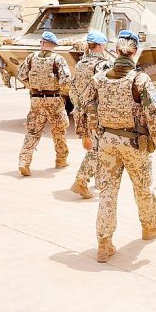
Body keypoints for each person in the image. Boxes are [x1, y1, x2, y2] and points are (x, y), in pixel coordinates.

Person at [82, 30, 156, 262]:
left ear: (117, 50)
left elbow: (87, 105)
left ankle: (104, 242)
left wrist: (90, 135)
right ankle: (150, 225)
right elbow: (154, 114)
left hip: (107, 142)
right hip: (133, 144)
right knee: (142, 187)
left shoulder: (100, 77)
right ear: (135, 51)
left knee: (108, 192)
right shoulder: (140, 79)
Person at [16, 31, 72, 176]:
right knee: (59, 130)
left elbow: (21, 75)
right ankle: (61, 159)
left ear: (42, 43)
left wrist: (33, 87)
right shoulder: (58, 59)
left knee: (32, 131)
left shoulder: (30, 58)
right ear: (53, 45)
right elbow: (66, 80)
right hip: (54, 100)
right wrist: (61, 91)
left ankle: (24, 162)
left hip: (35, 99)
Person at [70, 31, 112, 199]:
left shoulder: (80, 64)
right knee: (98, 148)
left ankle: (100, 181)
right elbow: (107, 90)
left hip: (81, 110)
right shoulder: (103, 64)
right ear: (101, 46)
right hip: (96, 113)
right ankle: (81, 181)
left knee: (96, 145)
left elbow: (73, 89)